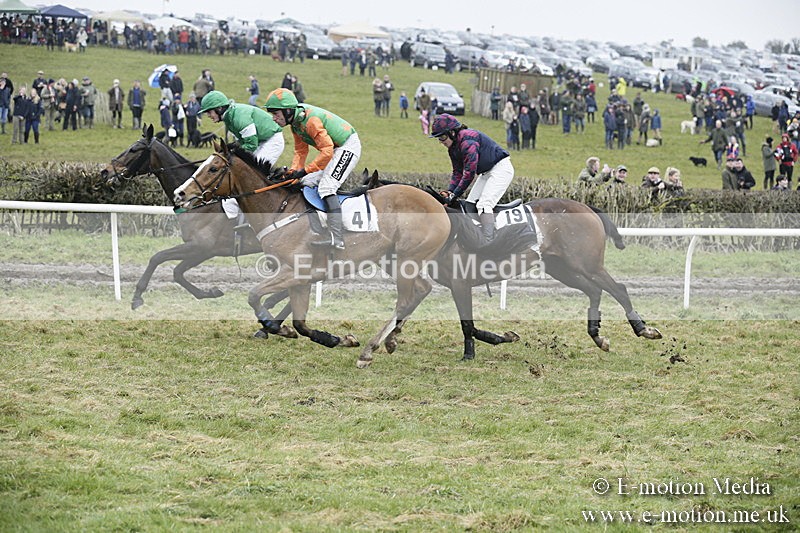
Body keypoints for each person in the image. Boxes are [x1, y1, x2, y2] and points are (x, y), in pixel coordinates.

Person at [264, 88, 361, 250]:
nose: (274, 118)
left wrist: (306, 170)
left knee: (326, 187)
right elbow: (300, 152)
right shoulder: (295, 124)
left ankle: (338, 238)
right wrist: (294, 174)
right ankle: (317, 228)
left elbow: (327, 151)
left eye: (276, 114)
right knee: (304, 182)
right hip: (334, 150)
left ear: (288, 111)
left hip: (347, 146)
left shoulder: (310, 121)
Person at [429, 113, 513, 244]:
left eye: (443, 137)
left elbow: (469, 172)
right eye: (438, 138)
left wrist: (455, 194)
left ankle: (489, 241)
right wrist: (450, 192)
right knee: (470, 205)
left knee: (484, 205)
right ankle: (477, 234)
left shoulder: (467, 139)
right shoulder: (453, 148)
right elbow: (457, 172)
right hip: (486, 172)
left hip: (501, 169)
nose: (441, 141)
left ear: (452, 132)